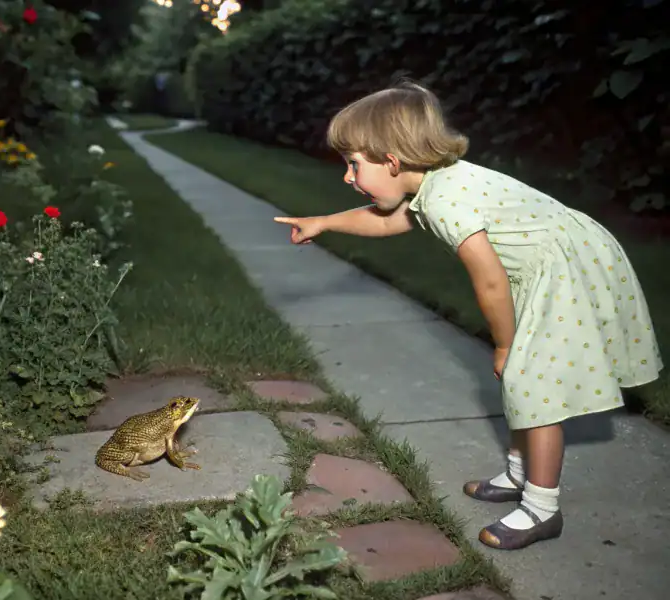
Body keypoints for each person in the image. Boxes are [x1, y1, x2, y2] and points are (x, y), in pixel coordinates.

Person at [273, 81, 663, 551]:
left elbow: (490, 280)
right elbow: (387, 219)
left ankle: (542, 509)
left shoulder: (445, 200)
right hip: (551, 261)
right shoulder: (433, 182)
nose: (347, 176)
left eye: (354, 165)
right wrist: (324, 222)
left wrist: (504, 344)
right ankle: (519, 475)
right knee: (522, 381)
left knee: (533, 385)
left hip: (565, 269)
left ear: (392, 162)